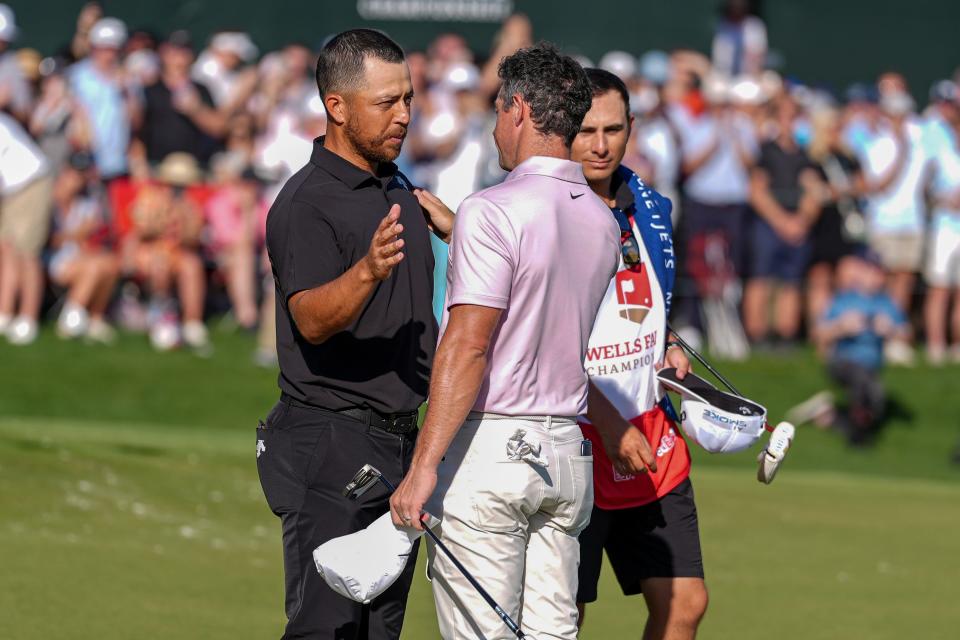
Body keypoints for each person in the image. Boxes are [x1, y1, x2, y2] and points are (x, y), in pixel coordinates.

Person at [389, 44, 620, 640]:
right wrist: (462, 224)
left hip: (494, 450)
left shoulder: (491, 210)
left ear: (518, 109)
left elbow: (467, 347)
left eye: (497, 111)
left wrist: (422, 467)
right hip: (567, 454)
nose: (494, 126)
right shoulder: (601, 219)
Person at [258, 29, 451, 639]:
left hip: (400, 444)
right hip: (331, 440)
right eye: (386, 101)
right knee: (327, 629)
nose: (403, 115)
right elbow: (311, 319)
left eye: (408, 99)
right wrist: (366, 270)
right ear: (337, 107)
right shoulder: (306, 203)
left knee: (378, 631)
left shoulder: (397, 185)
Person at [570, 68, 707, 640]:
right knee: (560, 617)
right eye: (585, 131)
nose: (600, 145)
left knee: (684, 603)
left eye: (613, 129)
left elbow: (651, 305)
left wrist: (670, 346)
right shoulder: (544, 210)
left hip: (651, 432)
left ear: (633, 128)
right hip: (571, 439)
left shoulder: (648, 204)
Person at [744, 96, 823, 346]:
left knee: (791, 282)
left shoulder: (806, 155)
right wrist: (781, 221)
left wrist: (802, 220)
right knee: (761, 279)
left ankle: (785, 336)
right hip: (769, 223)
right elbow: (757, 191)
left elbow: (813, 190)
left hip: (797, 226)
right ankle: (757, 336)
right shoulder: (765, 152)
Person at [812, 252, 909, 445]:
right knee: (864, 384)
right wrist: (841, 326)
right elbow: (819, 334)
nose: (875, 277)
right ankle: (857, 437)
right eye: (870, 271)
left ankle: (834, 417)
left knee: (876, 400)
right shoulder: (844, 299)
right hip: (844, 361)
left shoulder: (886, 303)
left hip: (871, 367)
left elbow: (906, 334)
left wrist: (889, 329)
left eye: (879, 273)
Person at [805, 106, 864, 341]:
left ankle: (842, 329)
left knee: (846, 278)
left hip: (842, 223)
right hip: (823, 224)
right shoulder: (813, 159)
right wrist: (840, 190)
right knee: (820, 279)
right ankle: (820, 332)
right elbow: (815, 189)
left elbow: (862, 184)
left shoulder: (848, 157)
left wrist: (837, 191)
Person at [49, 150, 119, 343]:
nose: (77, 179)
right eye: (74, 172)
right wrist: (77, 234)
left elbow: (88, 240)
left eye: (82, 174)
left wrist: (78, 237)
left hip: (78, 255)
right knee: (94, 266)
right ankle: (70, 320)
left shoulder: (86, 204)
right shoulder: (49, 200)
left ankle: (95, 319)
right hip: (53, 258)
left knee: (111, 263)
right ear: (65, 171)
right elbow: (48, 240)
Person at [134, 30, 225, 171]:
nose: (179, 59)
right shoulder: (151, 89)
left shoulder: (201, 89)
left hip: (194, 169)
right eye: (174, 52)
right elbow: (137, 131)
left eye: (185, 52)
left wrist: (196, 110)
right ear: (164, 54)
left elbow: (218, 128)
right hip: (157, 168)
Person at [0, 111, 53, 345]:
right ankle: (5, 313)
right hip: (11, 190)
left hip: (31, 183)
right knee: (7, 248)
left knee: (27, 253)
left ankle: (28, 318)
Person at [69, 17, 136, 181]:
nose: (108, 54)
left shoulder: (128, 80)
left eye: (113, 49)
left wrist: (127, 94)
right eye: (103, 48)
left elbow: (136, 122)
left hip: (118, 163)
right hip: (83, 161)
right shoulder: (76, 76)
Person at [922, 81, 960, 365]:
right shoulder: (937, 142)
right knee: (939, 288)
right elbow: (926, 187)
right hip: (945, 226)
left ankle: (957, 345)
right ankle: (936, 345)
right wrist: (942, 200)